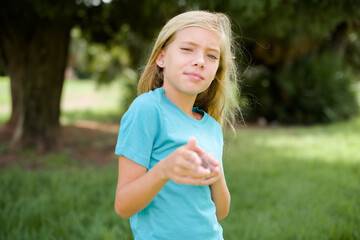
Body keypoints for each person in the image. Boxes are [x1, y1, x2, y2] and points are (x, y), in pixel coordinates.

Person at [114, 10, 240, 240]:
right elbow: (123, 205)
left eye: (212, 56)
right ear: (161, 57)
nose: (200, 61)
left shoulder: (211, 127)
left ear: (216, 71)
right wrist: (164, 170)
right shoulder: (147, 110)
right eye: (187, 49)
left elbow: (220, 212)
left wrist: (216, 175)